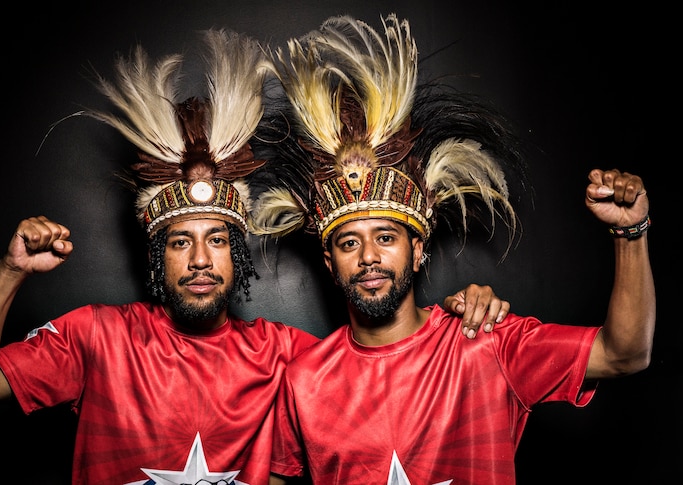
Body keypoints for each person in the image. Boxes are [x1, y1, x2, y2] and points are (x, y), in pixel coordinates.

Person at [0, 28, 511, 485]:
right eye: (181, 242)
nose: (201, 260)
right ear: (157, 256)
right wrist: (10, 271)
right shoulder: (97, 338)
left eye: (217, 239)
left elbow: (387, 353)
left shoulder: (288, 357)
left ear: (240, 255)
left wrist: (464, 313)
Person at [253, 14, 656, 485]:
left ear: (417, 247)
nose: (368, 257)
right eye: (348, 242)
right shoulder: (303, 379)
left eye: (386, 237)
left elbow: (626, 353)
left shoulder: (485, 341)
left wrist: (632, 234)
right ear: (329, 261)